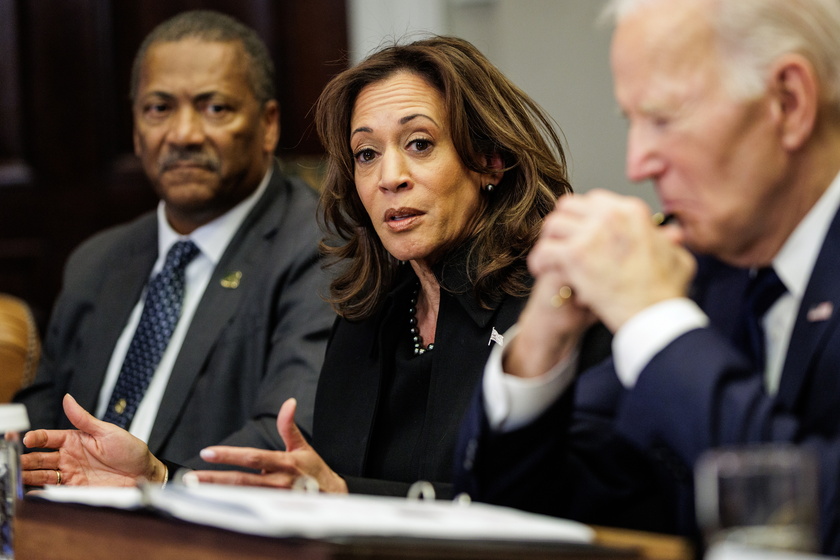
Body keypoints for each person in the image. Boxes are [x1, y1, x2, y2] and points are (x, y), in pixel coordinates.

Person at [20, 35, 610, 497]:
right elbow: (306, 492)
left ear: (489, 160)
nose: (389, 176)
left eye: (420, 144)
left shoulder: (557, 300)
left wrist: (343, 497)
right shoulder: (368, 311)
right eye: (366, 153)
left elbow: (541, 505)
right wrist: (158, 479)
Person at [454, 0, 840, 553]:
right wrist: (542, 341)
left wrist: (657, 323)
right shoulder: (706, 273)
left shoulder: (672, 298)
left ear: (789, 101)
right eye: (631, 122)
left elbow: (819, 518)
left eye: (663, 117)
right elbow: (523, 505)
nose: (638, 164)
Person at [16, 10, 335, 481]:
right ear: (136, 129)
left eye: (215, 108)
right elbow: (35, 424)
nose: (183, 134)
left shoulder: (321, 251)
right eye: (159, 108)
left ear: (268, 125)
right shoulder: (97, 261)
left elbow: (284, 441)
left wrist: (161, 482)